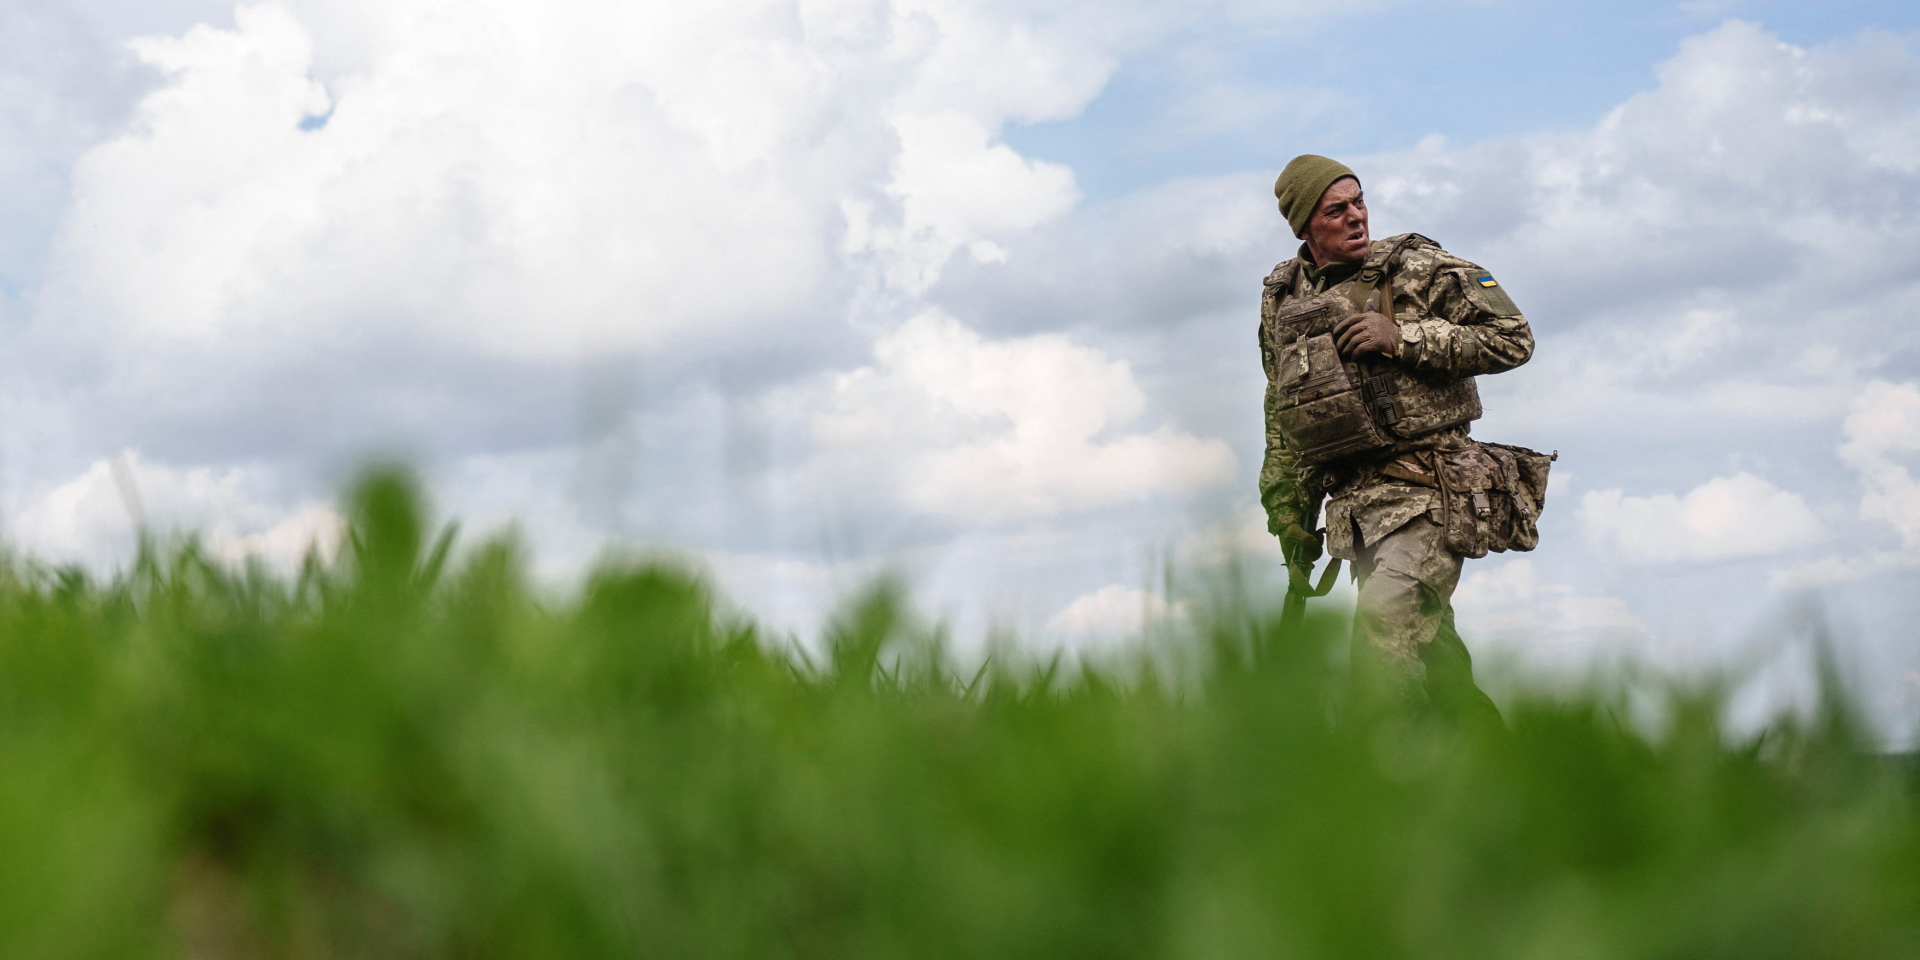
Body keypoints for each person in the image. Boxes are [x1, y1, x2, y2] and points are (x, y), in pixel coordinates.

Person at [1258, 154, 1544, 725]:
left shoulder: (1418, 266)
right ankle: (1508, 781)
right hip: (1358, 513)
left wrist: (1404, 337)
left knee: (1380, 641)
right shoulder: (1282, 297)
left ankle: (1388, 793)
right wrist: (1287, 513)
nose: (1356, 216)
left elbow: (1514, 338)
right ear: (1305, 226)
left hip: (1431, 495)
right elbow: (1283, 410)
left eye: (1358, 202)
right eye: (1336, 210)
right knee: (1437, 676)